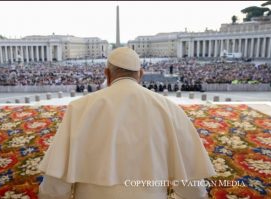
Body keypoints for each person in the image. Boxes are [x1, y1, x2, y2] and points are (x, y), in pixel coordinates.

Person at [38, 47, 216, 199]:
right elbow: (191, 183)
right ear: (140, 75)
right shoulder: (169, 109)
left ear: (107, 75)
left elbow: (55, 184)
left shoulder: (78, 108)